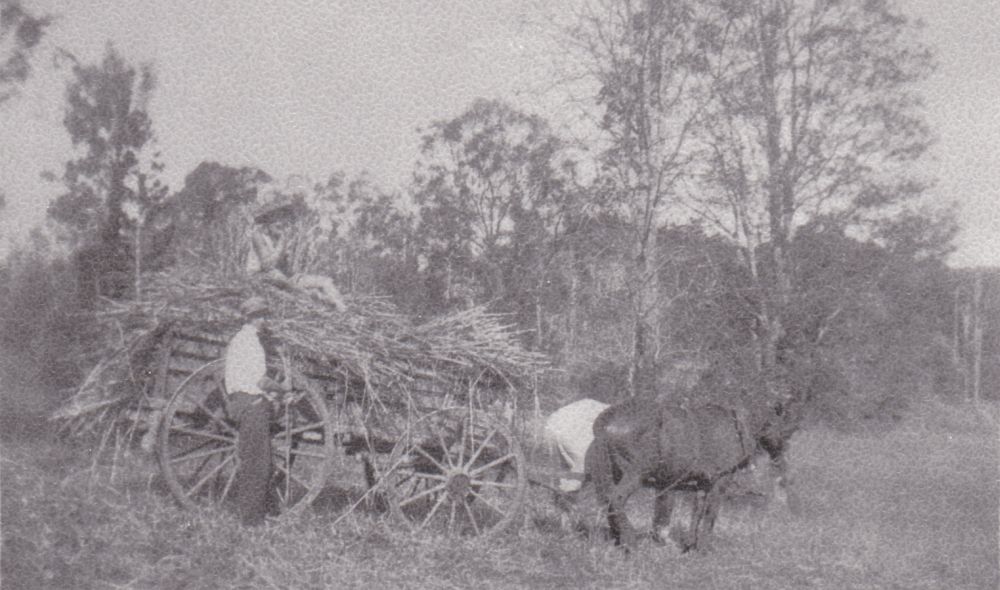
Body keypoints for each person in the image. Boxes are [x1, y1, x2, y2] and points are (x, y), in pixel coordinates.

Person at [224, 296, 289, 525]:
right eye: (261, 316)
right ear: (251, 318)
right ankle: (251, 521)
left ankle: (264, 512)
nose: (264, 320)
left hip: (243, 403)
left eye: (264, 315)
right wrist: (283, 389)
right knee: (257, 465)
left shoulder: (238, 340)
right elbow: (260, 381)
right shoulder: (251, 343)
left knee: (262, 462)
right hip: (252, 405)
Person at [246, 199, 347, 311]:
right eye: (275, 219)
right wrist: (281, 244)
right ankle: (319, 301)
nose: (280, 223)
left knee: (325, 281)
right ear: (267, 222)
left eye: (282, 218)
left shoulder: (281, 237)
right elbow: (267, 265)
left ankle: (342, 308)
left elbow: (284, 268)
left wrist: (295, 273)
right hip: (260, 276)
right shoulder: (259, 236)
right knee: (286, 281)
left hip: (282, 277)